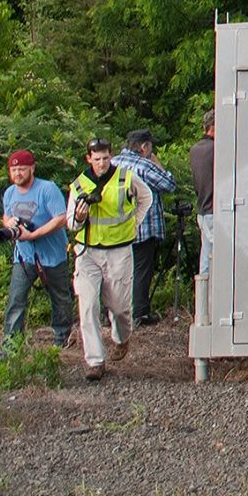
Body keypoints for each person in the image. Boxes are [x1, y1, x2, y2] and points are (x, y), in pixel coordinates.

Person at [66, 137, 141, 382]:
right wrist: (79, 216)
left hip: (119, 250)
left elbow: (146, 198)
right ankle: (95, 361)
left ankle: (121, 338)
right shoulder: (79, 185)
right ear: (88, 158)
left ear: (111, 156)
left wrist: (134, 225)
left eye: (105, 158)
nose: (101, 163)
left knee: (119, 308)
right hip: (88, 251)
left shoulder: (126, 177)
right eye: (96, 159)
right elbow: (71, 223)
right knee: (87, 306)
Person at [0, 148, 74, 355]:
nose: (17, 174)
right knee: (16, 298)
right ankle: (10, 347)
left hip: (52, 254)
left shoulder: (47, 189)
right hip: (23, 257)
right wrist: (10, 223)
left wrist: (33, 235)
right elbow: (6, 216)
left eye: (22, 169)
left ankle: (62, 338)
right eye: (13, 170)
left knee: (60, 296)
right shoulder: (10, 193)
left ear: (32, 168)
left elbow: (61, 219)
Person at [114, 129, 177, 326]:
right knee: (141, 270)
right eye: (151, 146)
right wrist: (158, 165)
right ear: (144, 146)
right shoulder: (143, 165)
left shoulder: (112, 163)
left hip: (114, 229)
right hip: (142, 227)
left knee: (116, 273)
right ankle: (139, 313)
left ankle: (113, 313)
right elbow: (169, 185)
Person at [189, 111, 216, 279]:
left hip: (203, 211)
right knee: (217, 259)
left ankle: (204, 303)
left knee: (206, 260)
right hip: (215, 212)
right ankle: (215, 302)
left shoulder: (195, 150)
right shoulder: (216, 150)